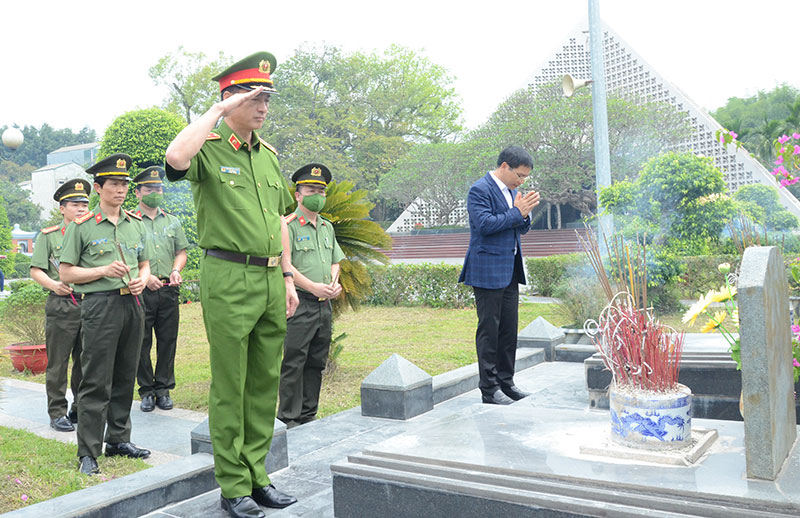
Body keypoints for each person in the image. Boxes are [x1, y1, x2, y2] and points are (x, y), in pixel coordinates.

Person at [164, 51, 299, 518]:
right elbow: (175, 157)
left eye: (267, 99)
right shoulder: (209, 146)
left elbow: (281, 219)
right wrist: (217, 112)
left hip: (267, 277)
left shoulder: (268, 156)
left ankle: (258, 476)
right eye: (255, 98)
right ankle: (233, 485)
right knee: (231, 384)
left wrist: (286, 275)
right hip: (228, 276)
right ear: (230, 99)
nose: (263, 107)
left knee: (264, 383)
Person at [59, 153, 154, 475]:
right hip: (100, 307)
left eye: (125, 184)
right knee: (96, 379)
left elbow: (144, 260)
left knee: (126, 375)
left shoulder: (135, 223)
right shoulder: (81, 227)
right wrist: (101, 269)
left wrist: (143, 275)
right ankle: (88, 450)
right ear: (97, 188)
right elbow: (67, 274)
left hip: (133, 304)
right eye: (114, 184)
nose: (121, 189)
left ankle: (118, 438)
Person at [458, 146, 540, 405]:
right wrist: (517, 213)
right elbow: (484, 225)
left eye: (526, 177)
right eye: (520, 175)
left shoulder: (513, 192)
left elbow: (518, 228)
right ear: (505, 166)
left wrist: (524, 215)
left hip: (510, 271)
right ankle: (489, 389)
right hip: (487, 271)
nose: (522, 181)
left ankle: (507, 382)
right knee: (489, 331)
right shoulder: (480, 190)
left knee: (508, 331)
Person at [278, 163, 344, 429]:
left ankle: (308, 414)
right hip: (300, 302)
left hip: (323, 304)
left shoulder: (327, 227)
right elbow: (286, 263)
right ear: (297, 194)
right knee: (294, 361)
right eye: (310, 189)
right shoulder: (288, 225)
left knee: (316, 361)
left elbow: (335, 259)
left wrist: (333, 282)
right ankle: (289, 418)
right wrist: (312, 287)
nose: (316, 194)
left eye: (320, 190)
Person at [29, 178, 90, 432]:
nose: (81, 209)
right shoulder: (50, 236)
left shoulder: (93, 233)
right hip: (62, 304)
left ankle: (80, 408)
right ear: (62, 208)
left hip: (90, 304)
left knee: (86, 361)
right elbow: (36, 270)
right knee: (58, 362)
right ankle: (57, 412)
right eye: (75, 204)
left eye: (85, 205)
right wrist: (54, 285)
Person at [132, 165, 189, 413]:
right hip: (140, 290)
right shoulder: (129, 222)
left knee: (167, 340)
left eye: (158, 188)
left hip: (168, 289)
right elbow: (124, 257)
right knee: (140, 342)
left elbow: (181, 252)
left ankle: (163, 389)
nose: (155, 192)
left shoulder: (173, 221)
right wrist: (146, 278)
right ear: (138, 192)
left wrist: (176, 269)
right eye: (149, 188)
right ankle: (146, 390)